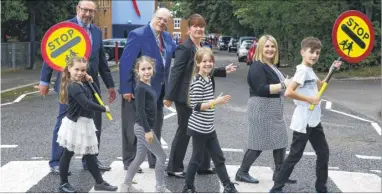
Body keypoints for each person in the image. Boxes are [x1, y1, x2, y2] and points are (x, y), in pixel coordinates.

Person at [38, 0, 116, 174]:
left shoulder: (96, 31)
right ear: (77, 9)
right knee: (65, 122)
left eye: (92, 11)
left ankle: (91, 162)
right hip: (68, 85)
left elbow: (102, 61)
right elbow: (51, 55)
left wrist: (110, 85)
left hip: (90, 84)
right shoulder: (65, 28)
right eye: (85, 10)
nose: (88, 14)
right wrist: (44, 81)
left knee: (94, 123)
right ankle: (56, 162)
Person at [164, 14, 237, 178]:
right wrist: (169, 96)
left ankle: (203, 166)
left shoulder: (201, 47)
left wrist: (223, 70)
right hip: (186, 98)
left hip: (203, 96)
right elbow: (176, 72)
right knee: (184, 131)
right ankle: (174, 167)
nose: (199, 29)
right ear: (189, 29)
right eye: (195, 26)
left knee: (203, 130)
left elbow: (204, 69)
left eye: (201, 26)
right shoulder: (185, 48)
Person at [270, 37, 342, 193]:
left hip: (314, 121)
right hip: (303, 121)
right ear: (302, 52)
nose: (314, 55)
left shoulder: (309, 70)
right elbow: (289, 92)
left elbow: (321, 86)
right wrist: (310, 99)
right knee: (295, 156)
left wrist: (331, 70)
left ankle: (321, 187)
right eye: (311, 52)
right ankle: (276, 188)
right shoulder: (302, 71)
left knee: (323, 153)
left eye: (317, 53)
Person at [119, 8, 176, 172]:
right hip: (137, 90)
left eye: (166, 20)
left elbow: (171, 57)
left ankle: (154, 159)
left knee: (156, 125)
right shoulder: (138, 34)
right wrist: (125, 88)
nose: (162, 22)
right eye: (160, 18)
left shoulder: (166, 36)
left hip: (158, 90)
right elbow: (125, 63)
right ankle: (130, 161)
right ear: (153, 17)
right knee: (132, 126)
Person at [235, 35, 297, 184]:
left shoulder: (271, 65)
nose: (270, 49)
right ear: (260, 48)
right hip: (261, 107)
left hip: (273, 109)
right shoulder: (257, 65)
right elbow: (261, 89)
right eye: (267, 46)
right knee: (258, 143)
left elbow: (284, 85)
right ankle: (242, 172)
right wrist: (283, 85)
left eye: (273, 46)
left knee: (281, 140)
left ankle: (279, 174)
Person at [56, 56, 117, 193]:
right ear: (69, 69)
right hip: (76, 124)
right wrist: (103, 109)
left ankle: (99, 183)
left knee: (90, 155)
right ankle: (63, 184)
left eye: (83, 70)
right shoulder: (73, 86)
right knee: (67, 154)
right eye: (76, 69)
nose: (80, 73)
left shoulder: (82, 83)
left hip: (85, 123)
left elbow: (94, 95)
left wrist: (90, 81)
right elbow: (86, 103)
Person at [182, 48, 238, 193]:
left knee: (219, 158)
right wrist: (215, 102)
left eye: (210, 61)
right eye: (204, 61)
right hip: (199, 129)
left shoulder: (207, 77)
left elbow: (213, 72)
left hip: (208, 128)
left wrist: (225, 69)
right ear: (198, 63)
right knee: (196, 159)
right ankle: (188, 187)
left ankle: (227, 186)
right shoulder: (198, 82)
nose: (207, 64)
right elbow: (196, 106)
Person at [120, 56, 167, 193]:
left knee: (140, 157)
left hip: (145, 127)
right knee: (161, 156)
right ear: (137, 71)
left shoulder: (148, 85)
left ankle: (126, 186)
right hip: (143, 128)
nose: (146, 72)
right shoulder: (140, 88)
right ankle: (160, 188)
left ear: (153, 69)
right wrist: (147, 131)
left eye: (149, 68)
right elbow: (140, 110)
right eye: (143, 69)